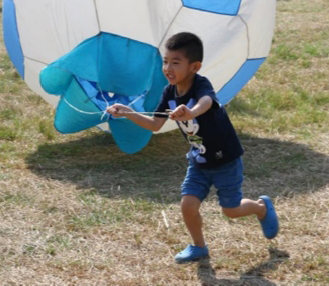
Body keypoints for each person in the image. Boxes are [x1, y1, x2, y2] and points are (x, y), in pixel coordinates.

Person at [106, 32, 279, 263]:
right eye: (165, 61)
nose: (168, 67)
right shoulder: (168, 92)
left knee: (231, 210)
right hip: (198, 160)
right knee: (188, 205)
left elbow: (206, 102)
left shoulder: (201, 86)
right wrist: (127, 112)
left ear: (194, 66)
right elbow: (155, 124)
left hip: (225, 160)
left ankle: (260, 208)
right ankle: (199, 246)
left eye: (175, 62)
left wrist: (192, 112)